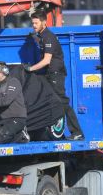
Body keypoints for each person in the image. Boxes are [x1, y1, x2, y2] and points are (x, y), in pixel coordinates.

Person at [25, 10, 84, 140]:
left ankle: (77, 132)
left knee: (62, 102)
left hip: (55, 74)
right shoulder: (41, 36)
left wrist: (30, 69)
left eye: (36, 23)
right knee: (47, 101)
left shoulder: (48, 37)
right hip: (48, 74)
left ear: (44, 22)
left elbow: (46, 60)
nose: (33, 25)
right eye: (32, 23)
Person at [0, 62, 29, 144]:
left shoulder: (13, 82)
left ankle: (21, 136)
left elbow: (6, 101)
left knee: (1, 138)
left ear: (2, 73)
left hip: (17, 118)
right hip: (4, 120)